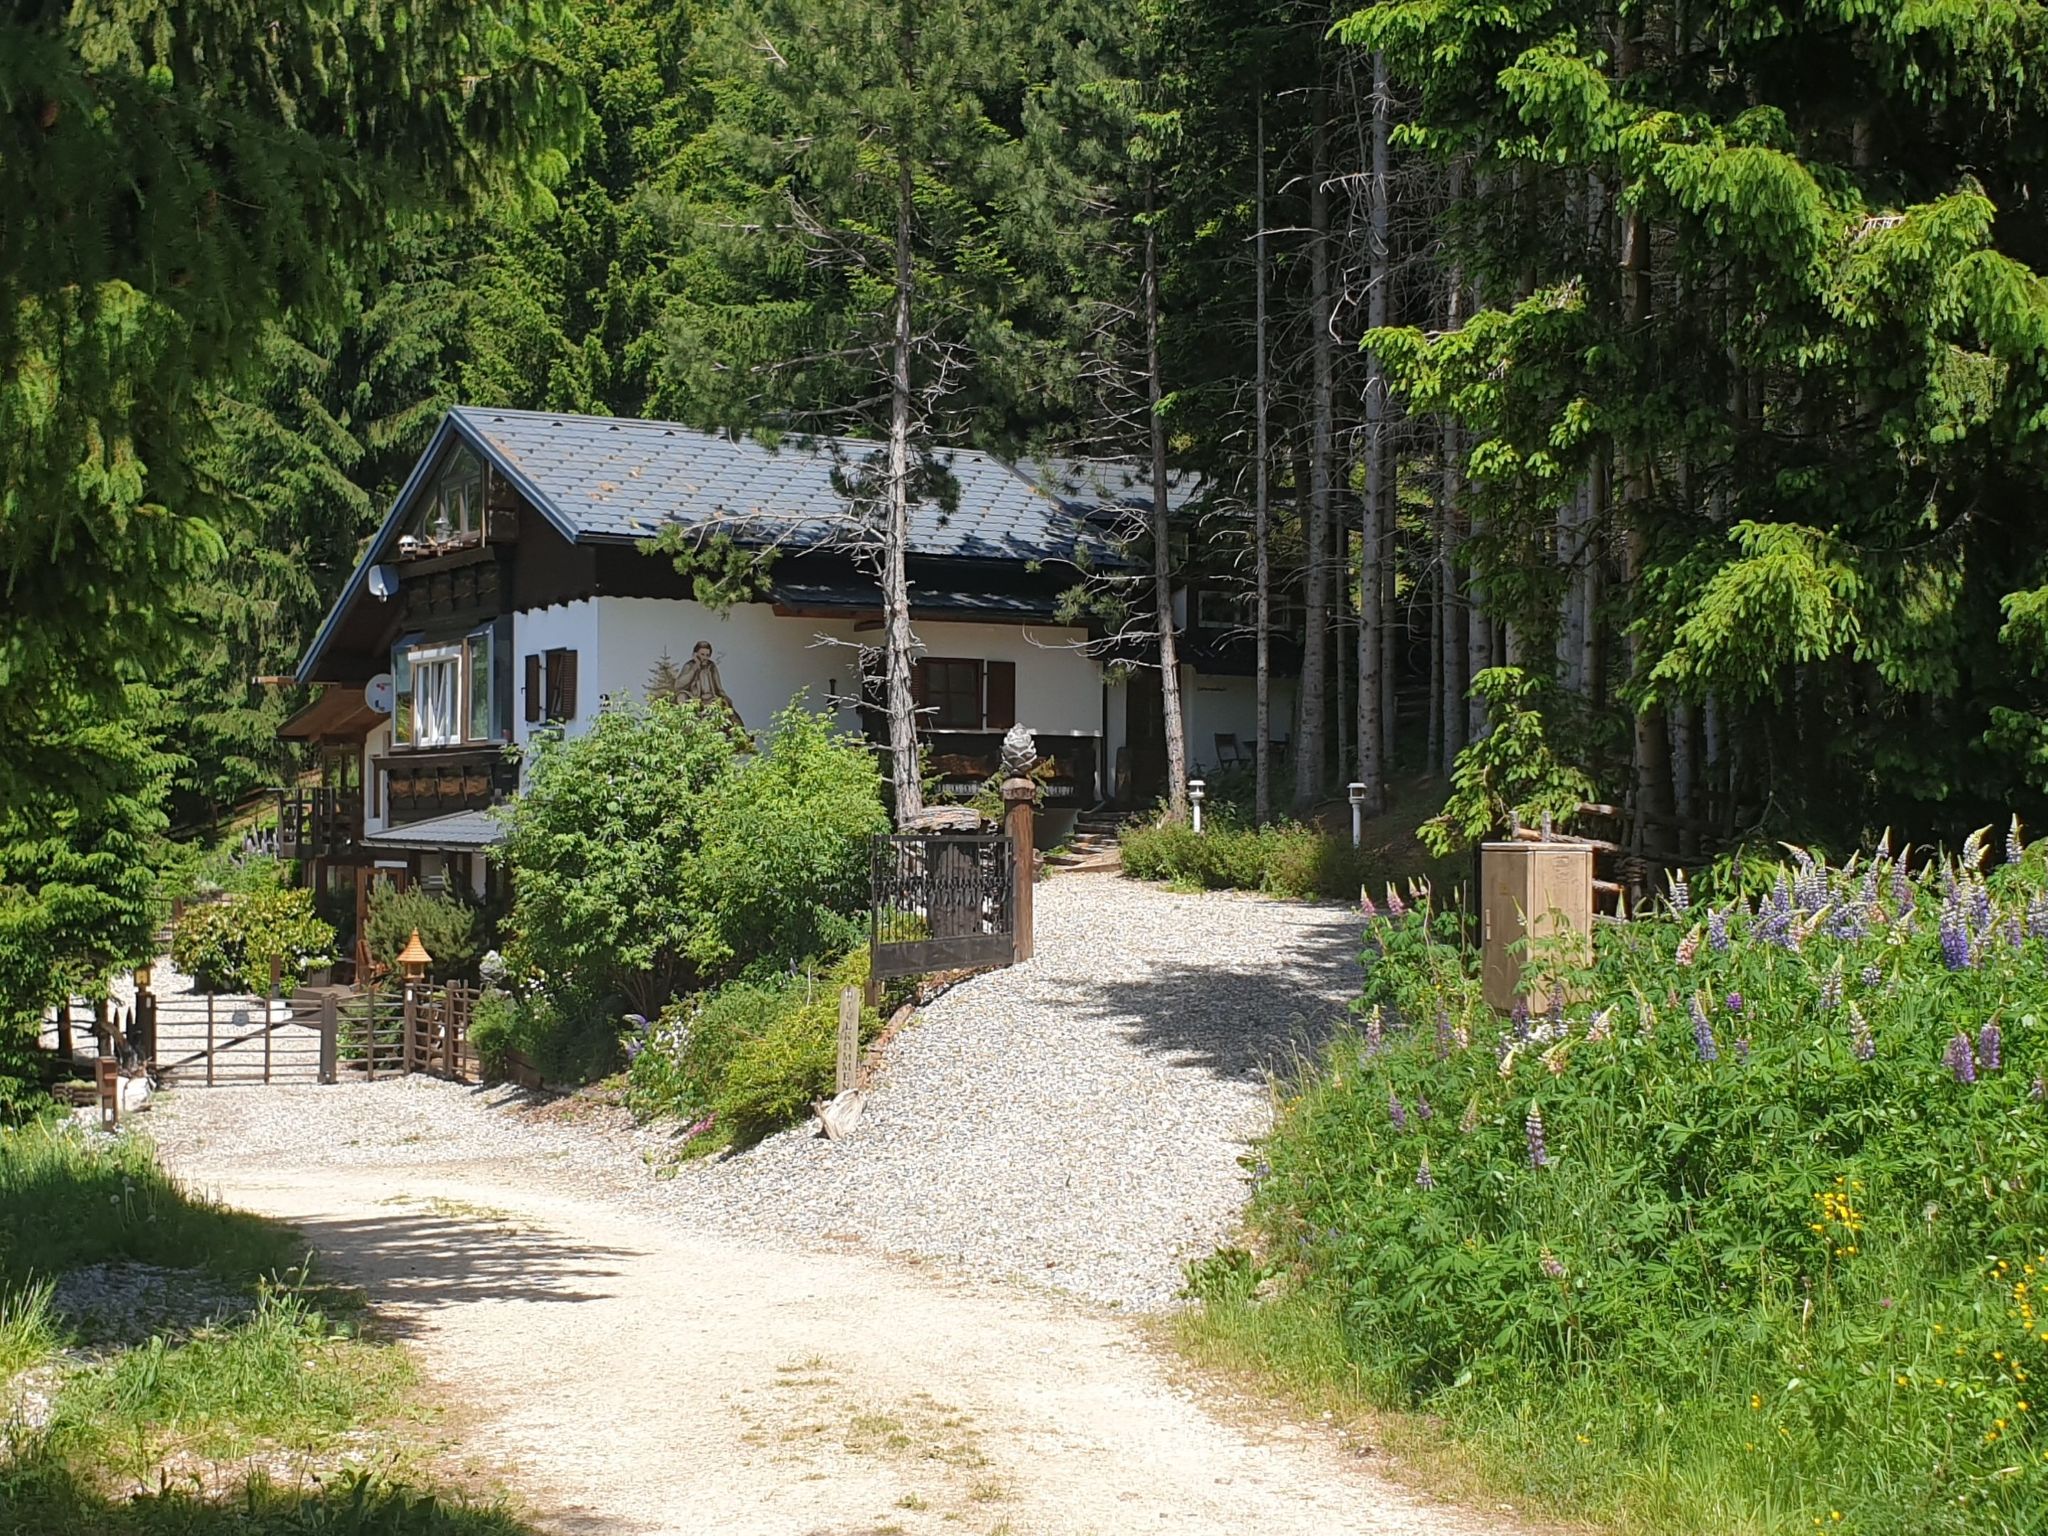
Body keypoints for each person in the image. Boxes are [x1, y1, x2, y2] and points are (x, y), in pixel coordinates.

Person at [678, 640, 741, 728]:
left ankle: (740, 734)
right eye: (702, 654)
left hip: (711, 699)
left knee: (729, 711)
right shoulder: (689, 666)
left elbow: (718, 687)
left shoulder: (712, 667)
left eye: (707, 655)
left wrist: (725, 698)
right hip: (696, 700)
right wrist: (696, 667)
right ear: (695, 654)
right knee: (681, 697)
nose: (705, 658)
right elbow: (679, 685)